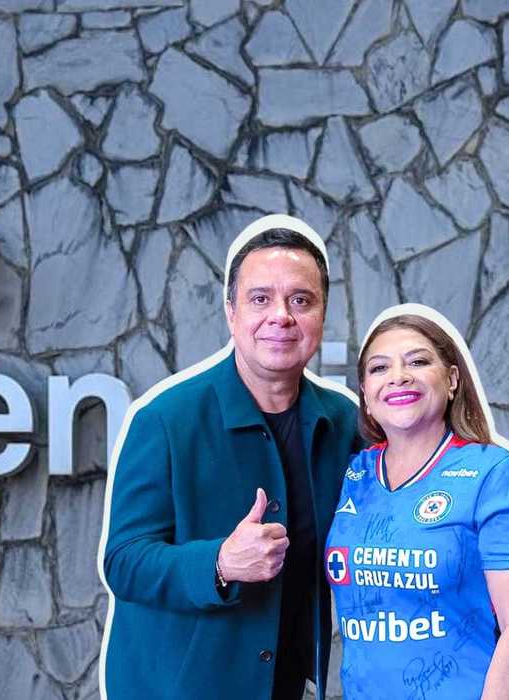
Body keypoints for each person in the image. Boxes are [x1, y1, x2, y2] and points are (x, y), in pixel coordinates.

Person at [99, 215, 364, 700]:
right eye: (260, 298)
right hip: (176, 689)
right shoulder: (164, 420)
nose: (281, 316)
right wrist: (220, 562)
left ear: (322, 316)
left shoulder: (345, 423)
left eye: (301, 300)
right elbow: (124, 561)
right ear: (231, 313)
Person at [325, 307, 509, 700]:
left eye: (418, 361)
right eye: (379, 368)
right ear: (365, 393)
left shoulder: (495, 474)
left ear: (451, 380)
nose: (398, 376)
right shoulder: (354, 474)